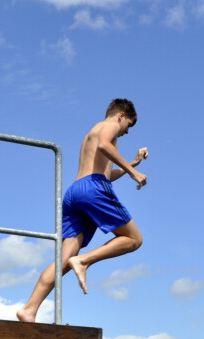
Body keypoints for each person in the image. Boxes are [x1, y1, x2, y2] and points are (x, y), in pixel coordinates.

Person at [16, 98, 148, 323]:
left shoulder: (91, 132)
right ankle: (85, 261)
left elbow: (106, 173)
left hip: (76, 191)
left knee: (64, 258)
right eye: (129, 126)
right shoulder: (110, 126)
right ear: (121, 115)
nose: (126, 133)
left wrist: (132, 164)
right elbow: (104, 145)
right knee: (134, 239)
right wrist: (133, 172)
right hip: (93, 188)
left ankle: (29, 309)